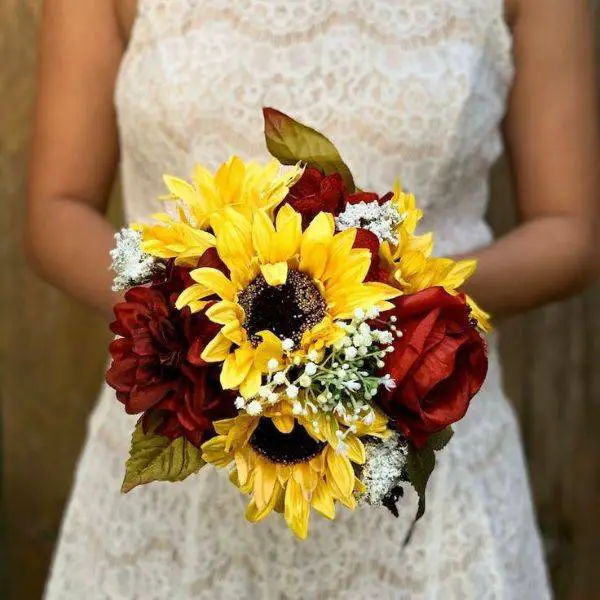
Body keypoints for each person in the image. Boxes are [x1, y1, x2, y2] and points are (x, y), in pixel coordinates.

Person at [25, 1, 599, 598]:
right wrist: (194, 332)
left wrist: (387, 313)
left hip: (427, 479)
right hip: (183, 448)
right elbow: (56, 210)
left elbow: (570, 233)